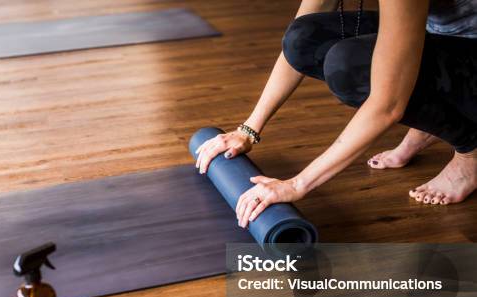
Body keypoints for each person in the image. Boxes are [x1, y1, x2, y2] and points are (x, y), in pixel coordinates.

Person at [195, 0, 477, 229]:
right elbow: (294, 46)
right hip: (443, 36)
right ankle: (430, 124)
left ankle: (470, 151)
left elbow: (388, 104)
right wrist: (248, 130)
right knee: (302, 38)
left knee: (350, 66)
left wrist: (297, 184)